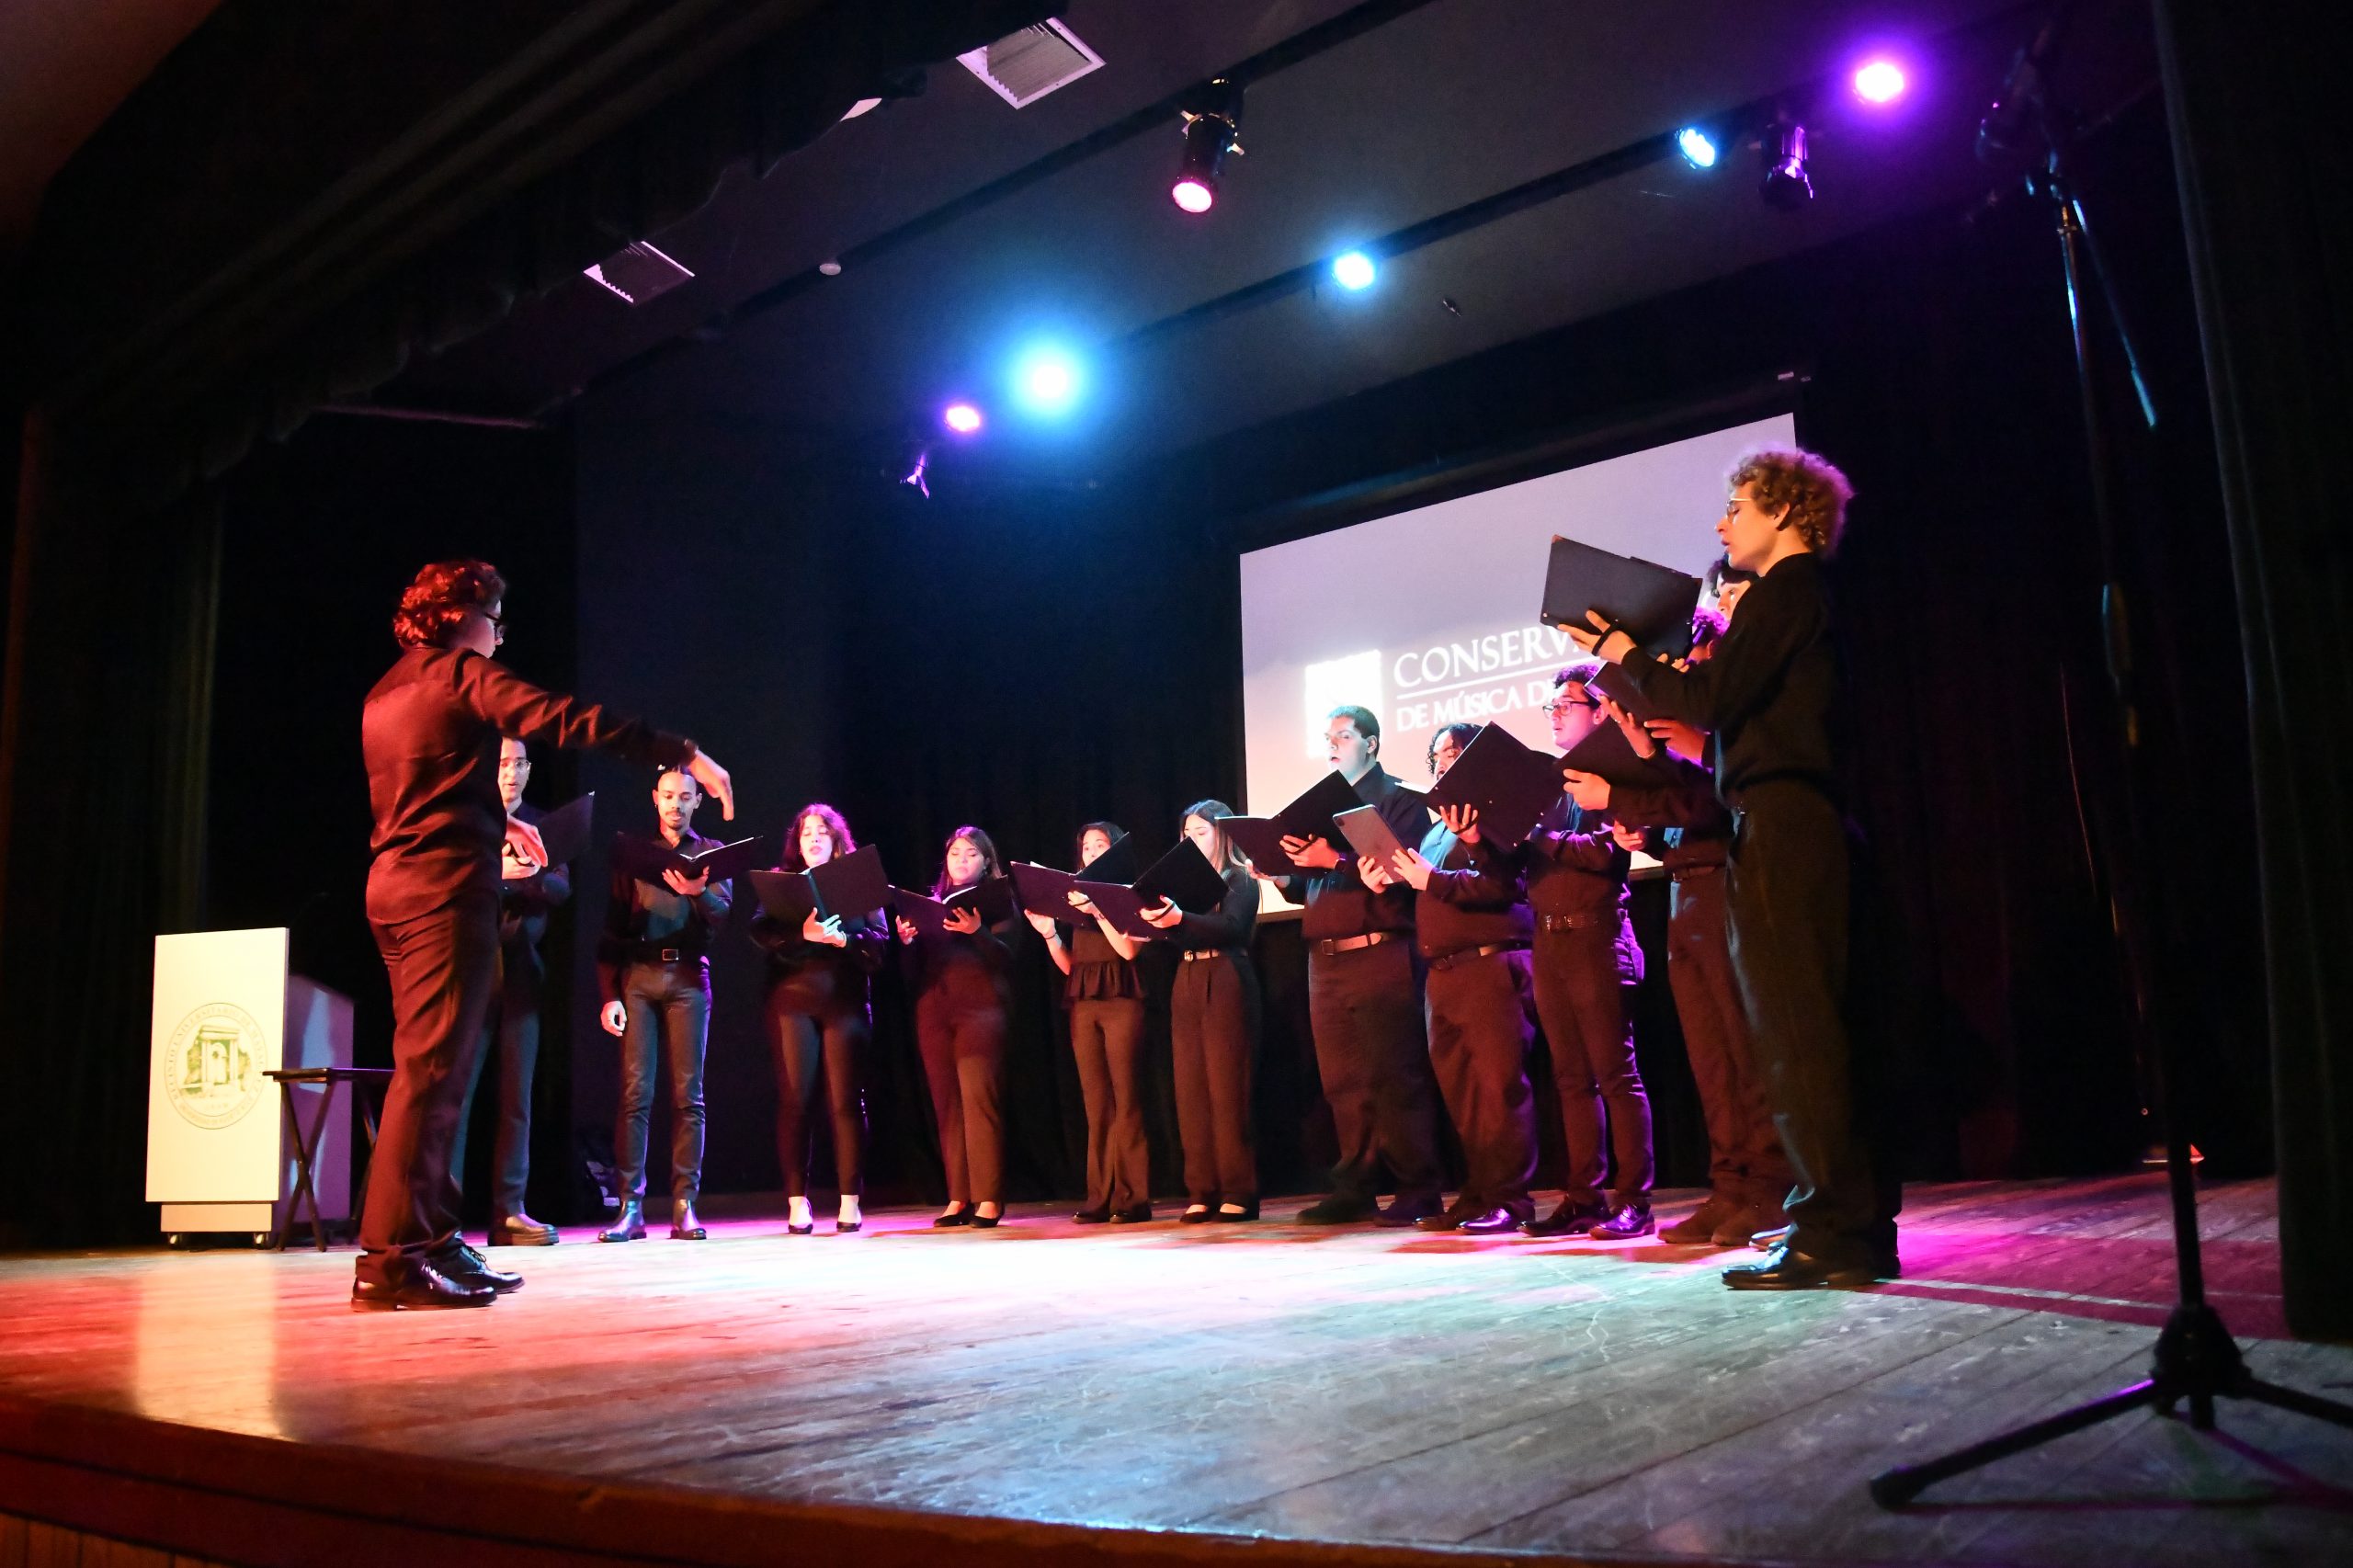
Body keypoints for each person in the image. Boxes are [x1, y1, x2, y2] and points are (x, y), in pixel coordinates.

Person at [357, 558, 731, 1310]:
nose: (499, 635)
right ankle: (389, 1260)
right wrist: (676, 749)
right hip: (444, 895)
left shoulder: (386, 689)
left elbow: (426, 792)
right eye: (495, 620)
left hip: (395, 887)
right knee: (431, 1076)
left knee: (433, 1074)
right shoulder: (461, 675)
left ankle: (427, 1242)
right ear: (465, 617)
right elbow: (563, 717)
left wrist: (501, 824)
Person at [1571, 444, 1895, 1289]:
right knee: (1802, 1032)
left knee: (1799, 1034)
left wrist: (1623, 651)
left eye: (1738, 509)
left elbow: (1712, 703)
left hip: (1788, 825)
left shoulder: (1788, 592)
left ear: (1785, 511)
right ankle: (1845, 1226)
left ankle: (1834, 1230)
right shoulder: (1794, 599)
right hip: (1783, 822)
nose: (1722, 525)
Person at [1583, 610, 1792, 1247]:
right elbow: (1679, 812)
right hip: (1683, 888)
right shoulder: (1678, 729)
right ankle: (1729, 1187)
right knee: (1710, 1058)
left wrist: (1624, 793)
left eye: (1689, 658)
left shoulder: (1724, 720)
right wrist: (1640, 830)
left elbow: (1710, 801)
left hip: (1728, 884)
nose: (1679, 671)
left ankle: (1771, 1194)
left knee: (1743, 1050)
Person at [1270, 706, 1444, 1226]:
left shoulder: (1403, 800)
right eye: (1328, 737)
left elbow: (1400, 871)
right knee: (1342, 1081)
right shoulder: (1321, 808)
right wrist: (1281, 873)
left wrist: (1334, 860)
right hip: (1325, 956)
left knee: (1395, 1075)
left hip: (1380, 949)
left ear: (1372, 743)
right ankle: (1357, 1186)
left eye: (1343, 735)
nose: (1333, 744)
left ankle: (1418, 1187)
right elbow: (1309, 886)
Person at [1363, 722, 1540, 1234]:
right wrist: (1391, 881)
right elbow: (1432, 889)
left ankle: (1512, 1199)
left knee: (1499, 1088)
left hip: (1491, 963)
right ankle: (1480, 1193)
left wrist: (1432, 879)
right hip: (1444, 971)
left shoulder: (1495, 813)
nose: (1443, 762)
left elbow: (1507, 885)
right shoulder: (1438, 827)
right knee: (1462, 1090)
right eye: (1437, 755)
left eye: (1454, 753)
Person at [1519, 666, 1656, 1240]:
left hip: (1600, 935)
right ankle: (1584, 1197)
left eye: (1566, 703)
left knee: (1614, 1073)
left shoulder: (1614, 772)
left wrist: (1540, 840)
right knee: (1571, 1078)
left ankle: (1635, 1200)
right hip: (1548, 939)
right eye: (1549, 705)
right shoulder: (1542, 781)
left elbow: (1608, 853)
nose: (1554, 712)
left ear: (1600, 712)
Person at [597, 767, 734, 1244]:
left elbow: (721, 919)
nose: (676, 804)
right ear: (655, 799)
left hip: (689, 978)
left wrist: (698, 896)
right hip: (637, 977)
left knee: (687, 1095)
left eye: (686, 797)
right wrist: (609, 994)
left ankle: (684, 1206)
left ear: (698, 802)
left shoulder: (710, 854)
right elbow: (612, 928)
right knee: (635, 1094)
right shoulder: (635, 854)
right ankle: (630, 1207)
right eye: (669, 796)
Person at [450, 736, 567, 1246]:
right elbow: (451, 883)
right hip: (473, 969)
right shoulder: (468, 818)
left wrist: (530, 875)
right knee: (457, 1091)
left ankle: (510, 1212)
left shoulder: (542, 824)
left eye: (519, 764)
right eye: (502, 763)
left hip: (523, 969)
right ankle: (439, 1213)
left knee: (517, 1096)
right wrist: (499, 876)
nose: (511, 773)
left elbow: (561, 887)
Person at [748, 803, 883, 1236]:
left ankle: (849, 1201)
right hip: (791, 1002)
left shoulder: (858, 884)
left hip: (843, 1001)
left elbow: (880, 947)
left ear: (837, 840)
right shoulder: (784, 884)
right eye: (807, 832)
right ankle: (796, 1201)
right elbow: (761, 933)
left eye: (823, 831)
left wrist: (847, 939)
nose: (814, 838)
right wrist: (802, 936)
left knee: (845, 1100)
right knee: (795, 1099)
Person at [1142, 802, 1262, 1222]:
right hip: (1188, 978)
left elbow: (1231, 928)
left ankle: (1238, 1190)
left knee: (1227, 1087)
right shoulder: (1182, 885)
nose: (1190, 839)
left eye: (1200, 831)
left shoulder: (1239, 878)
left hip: (1226, 974)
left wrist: (1181, 918)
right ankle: (1202, 1188)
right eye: (1186, 832)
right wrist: (1160, 923)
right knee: (1190, 1089)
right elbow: (1178, 936)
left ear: (1222, 835)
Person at [1028, 822, 1153, 1225]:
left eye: (1101, 845)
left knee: (1126, 1099)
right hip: (1084, 1005)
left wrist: (1099, 911)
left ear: (1116, 851)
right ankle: (1100, 1195)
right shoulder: (1073, 902)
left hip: (1121, 1001)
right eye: (1087, 846)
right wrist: (1050, 935)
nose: (1093, 852)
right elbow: (1072, 967)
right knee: (1096, 1102)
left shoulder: (1127, 895)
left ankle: (1133, 1197)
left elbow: (1128, 952)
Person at [896, 826, 1018, 1228]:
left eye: (970, 854)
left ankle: (989, 1199)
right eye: (954, 854)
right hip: (934, 1011)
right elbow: (912, 974)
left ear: (986, 861)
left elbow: (1008, 959)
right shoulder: (932, 906)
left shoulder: (999, 901)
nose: (961, 860)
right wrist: (909, 943)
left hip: (980, 1011)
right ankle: (958, 1197)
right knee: (947, 1105)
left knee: (979, 1103)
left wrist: (976, 931)